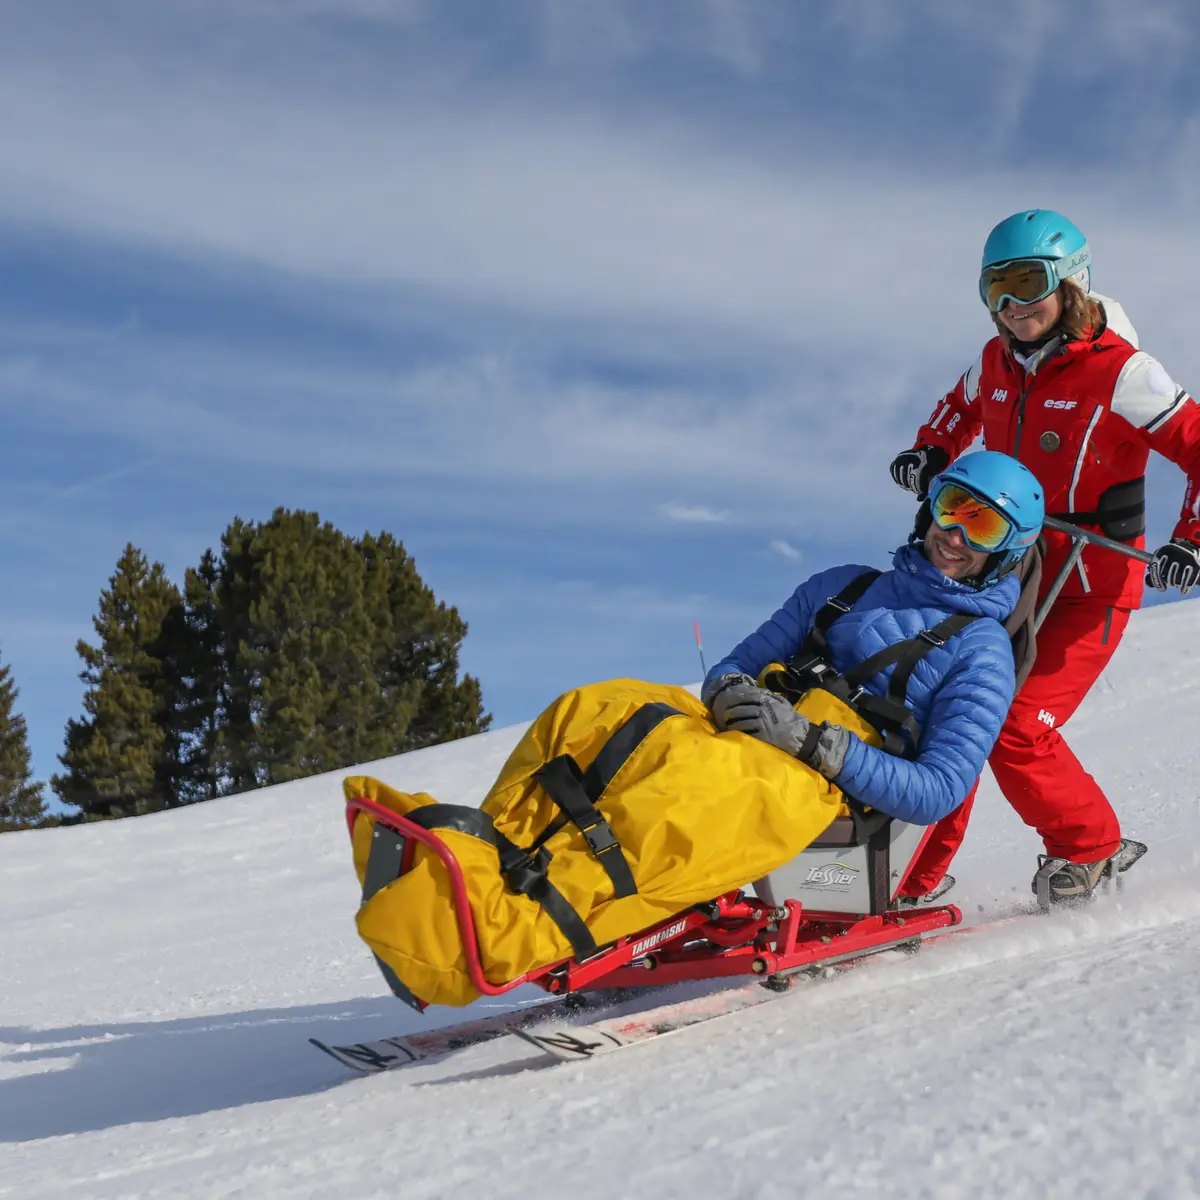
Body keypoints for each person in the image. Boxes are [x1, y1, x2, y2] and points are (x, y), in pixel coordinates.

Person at [889, 209, 1200, 903]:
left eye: (1028, 283)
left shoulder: (1125, 372)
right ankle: (907, 881)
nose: (1011, 306)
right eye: (994, 288)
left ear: (1071, 282)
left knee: (1017, 725)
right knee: (952, 707)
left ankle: (1088, 848)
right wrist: (931, 449)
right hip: (1010, 566)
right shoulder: (995, 358)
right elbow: (958, 407)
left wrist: (1192, 538)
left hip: (1093, 576)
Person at [702, 450, 1044, 841]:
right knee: (630, 710)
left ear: (1005, 552)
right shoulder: (839, 587)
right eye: (952, 507)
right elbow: (738, 663)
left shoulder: (981, 651)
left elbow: (941, 789)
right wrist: (726, 689)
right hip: (738, 753)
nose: (954, 536)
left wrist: (815, 744)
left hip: (823, 804)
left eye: (982, 528)